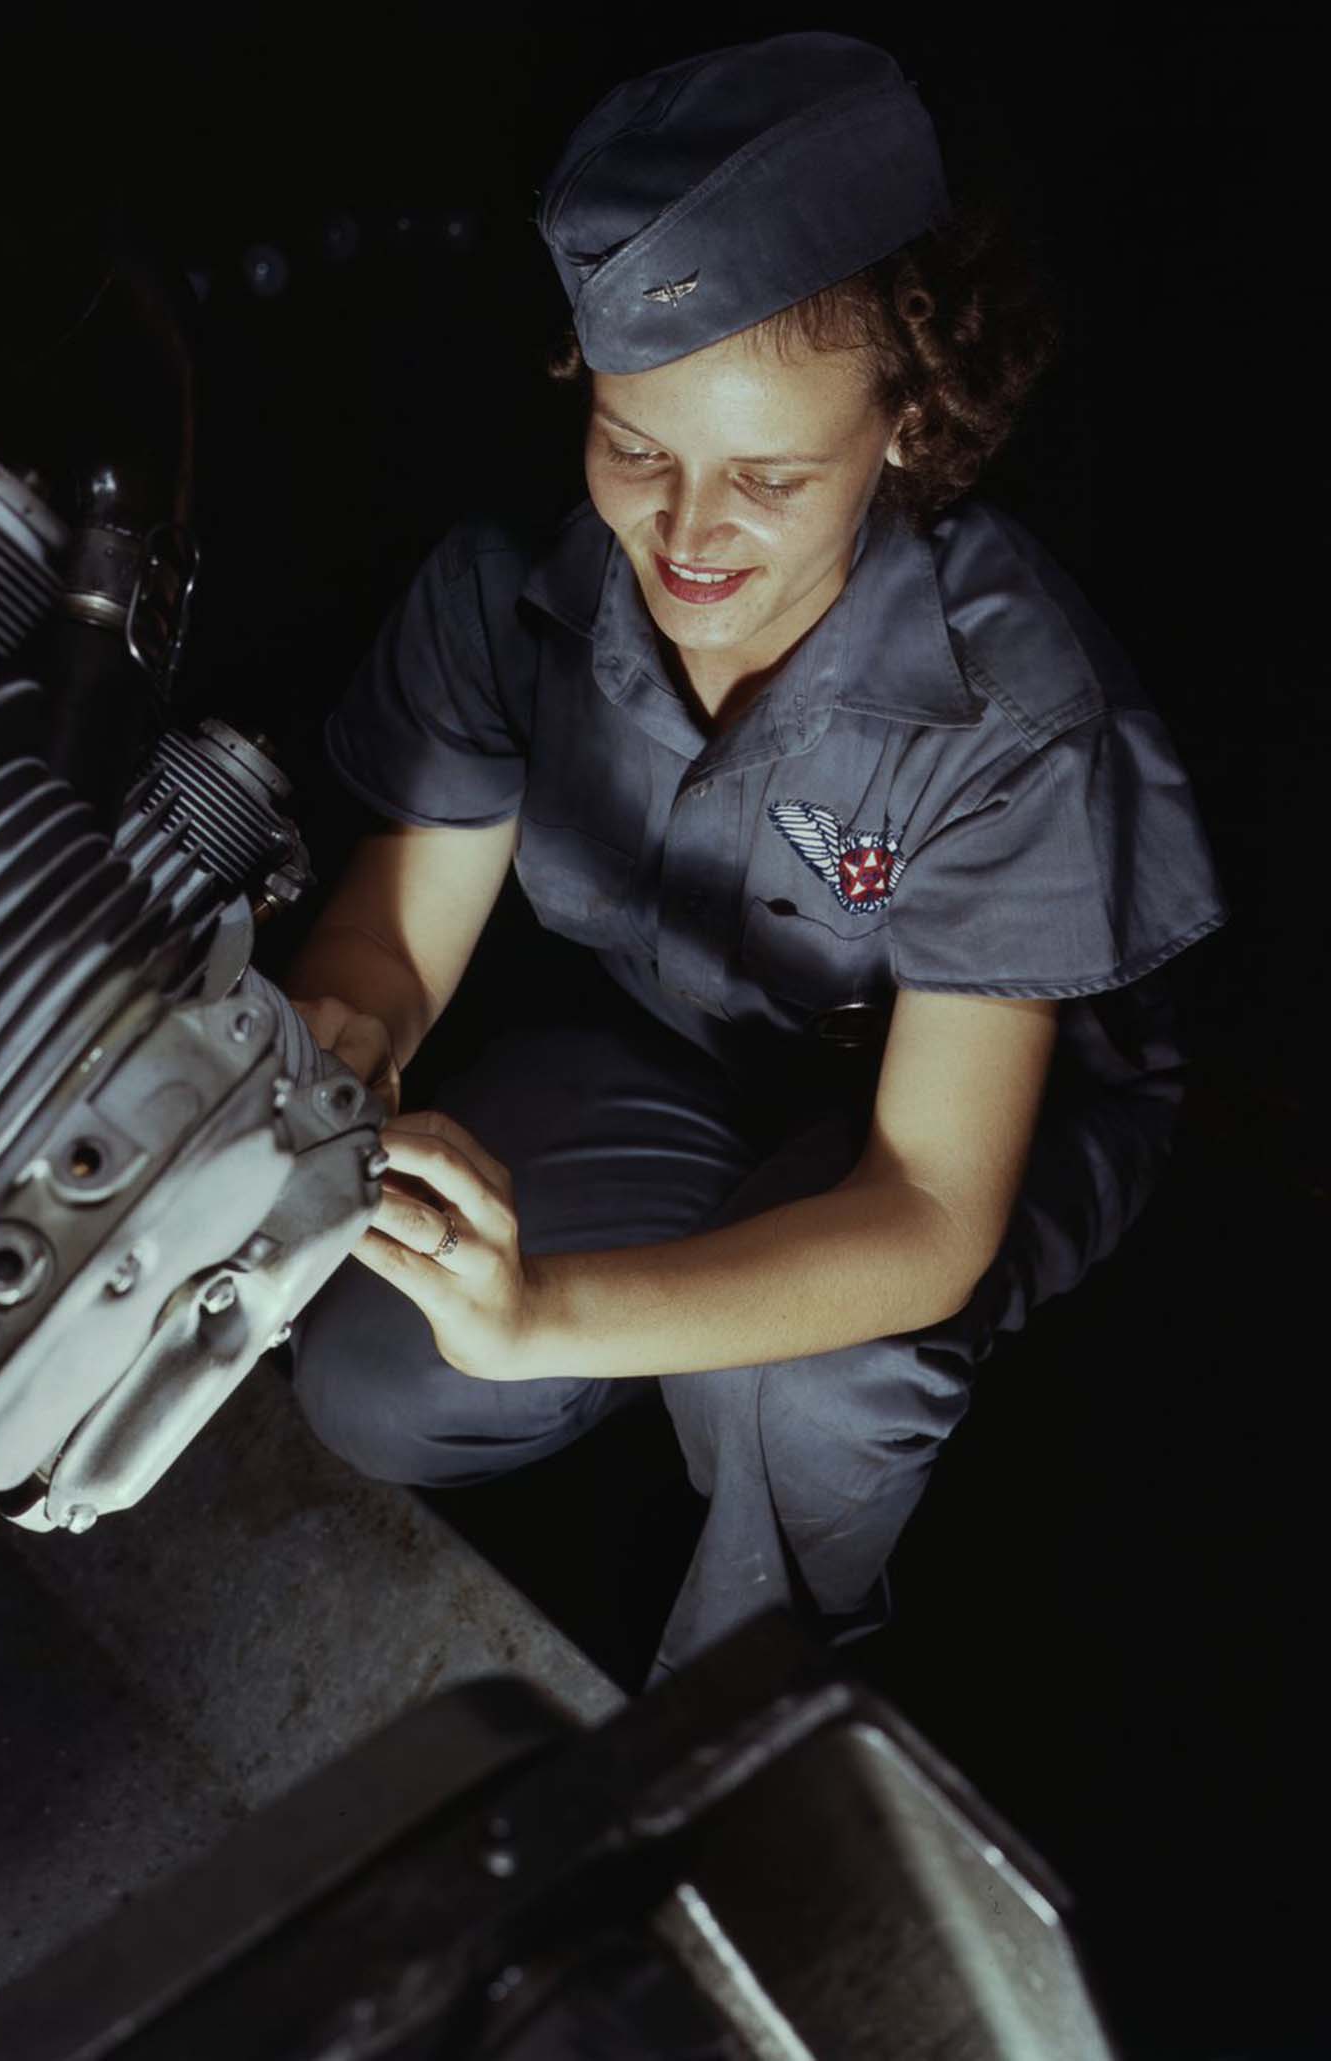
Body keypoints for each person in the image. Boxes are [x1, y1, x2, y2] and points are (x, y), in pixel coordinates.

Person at [279, 32, 1227, 1680]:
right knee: (370, 1368)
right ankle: (665, 1323)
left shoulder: (1014, 718)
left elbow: (929, 1205)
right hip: (686, 1052)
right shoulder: (517, 573)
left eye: (771, 479)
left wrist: (550, 1314)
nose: (687, 532)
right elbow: (397, 941)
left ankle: (765, 1697)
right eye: (637, 447)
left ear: (911, 427)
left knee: (806, 1382)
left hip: (943, 1129)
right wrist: (323, 1065)